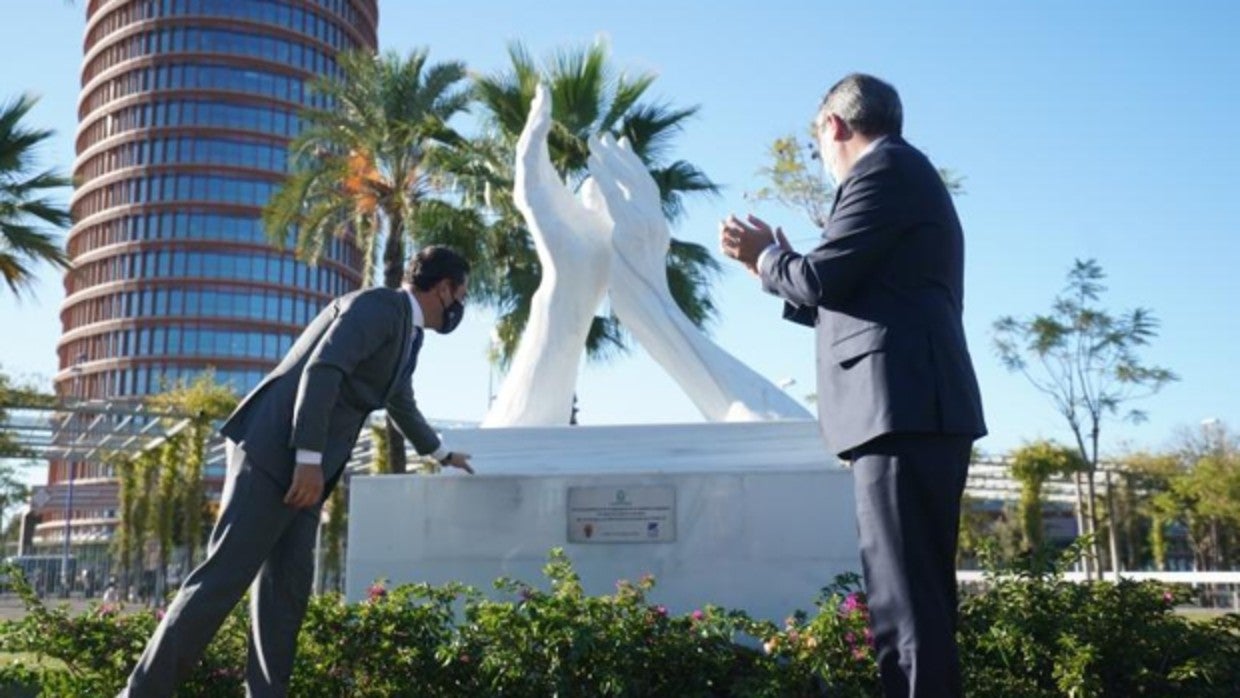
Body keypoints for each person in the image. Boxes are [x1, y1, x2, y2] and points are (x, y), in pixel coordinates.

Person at [720, 74, 986, 698]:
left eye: (818, 142)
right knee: (910, 603)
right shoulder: (904, 172)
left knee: (906, 608)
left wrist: (765, 258)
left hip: (902, 411)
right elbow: (851, 289)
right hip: (912, 410)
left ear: (834, 125)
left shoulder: (884, 170)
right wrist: (784, 270)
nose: (822, 157)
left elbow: (822, 279)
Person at [119, 245, 476, 697]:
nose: (460, 305)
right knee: (222, 581)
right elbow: (324, 369)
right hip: (276, 457)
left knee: (285, 595)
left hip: (309, 473)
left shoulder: (409, 333)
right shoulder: (379, 306)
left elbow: (399, 400)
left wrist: (441, 454)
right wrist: (308, 457)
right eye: (461, 293)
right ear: (443, 288)